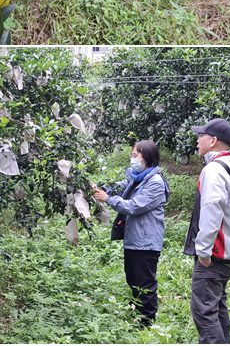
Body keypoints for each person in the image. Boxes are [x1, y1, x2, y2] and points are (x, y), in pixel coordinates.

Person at [92, 139, 169, 326]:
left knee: (145, 283)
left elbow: (135, 206)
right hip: (134, 239)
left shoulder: (155, 182)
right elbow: (121, 185)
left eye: (135, 155)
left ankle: (147, 322)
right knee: (133, 278)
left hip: (146, 241)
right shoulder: (138, 177)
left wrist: (108, 199)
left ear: (147, 158)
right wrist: (101, 187)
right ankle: (137, 314)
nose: (131, 158)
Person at [183, 118, 230, 344]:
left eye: (201, 135)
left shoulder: (213, 170)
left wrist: (203, 251)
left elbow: (212, 211)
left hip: (216, 253)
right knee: (217, 306)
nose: (197, 139)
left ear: (213, 140)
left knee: (204, 311)